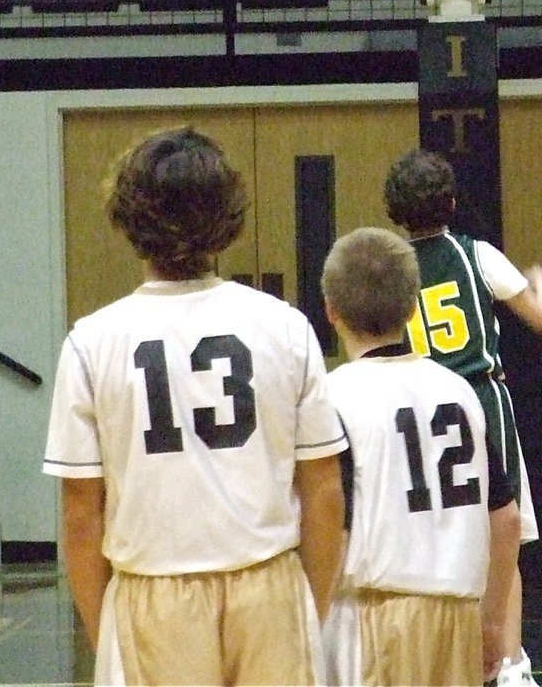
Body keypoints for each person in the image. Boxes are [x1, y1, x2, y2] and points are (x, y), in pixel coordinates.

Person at [42, 126, 347, 686]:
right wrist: (309, 610)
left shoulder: (91, 342)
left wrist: (105, 633)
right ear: (227, 216)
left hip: (153, 596)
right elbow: (324, 493)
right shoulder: (287, 328)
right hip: (269, 587)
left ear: (128, 217)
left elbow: (81, 519)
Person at [382, 148, 542, 687]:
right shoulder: (475, 253)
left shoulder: (390, 269)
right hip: (480, 402)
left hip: (413, 409)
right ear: (453, 203)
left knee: (430, 538)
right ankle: (510, 667)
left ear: (394, 213)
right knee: (503, 540)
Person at [320, 226, 521, 685]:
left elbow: (336, 529)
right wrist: (492, 623)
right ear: (414, 308)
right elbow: (506, 519)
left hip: (372, 618)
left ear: (331, 311)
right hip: (458, 615)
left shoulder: (333, 398)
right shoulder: (459, 391)